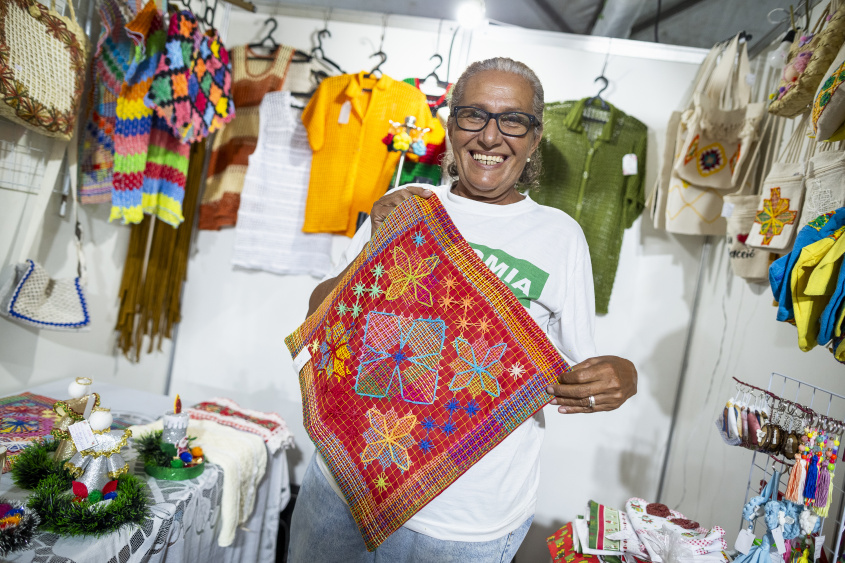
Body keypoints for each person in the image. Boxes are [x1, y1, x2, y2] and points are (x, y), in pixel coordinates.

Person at [288, 57, 638, 562]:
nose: (491, 137)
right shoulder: (407, 204)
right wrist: (374, 249)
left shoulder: (559, 237)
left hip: (465, 521)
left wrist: (621, 375)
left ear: (535, 137)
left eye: (512, 120)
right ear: (451, 127)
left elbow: (574, 373)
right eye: (473, 115)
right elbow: (321, 318)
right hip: (344, 488)